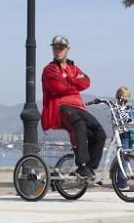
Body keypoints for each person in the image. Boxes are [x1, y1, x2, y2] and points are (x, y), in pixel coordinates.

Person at [41, 36, 105, 179]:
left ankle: (89, 167)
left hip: (78, 106)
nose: (58, 50)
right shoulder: (49, 69)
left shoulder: (73, 68)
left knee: (100, 132)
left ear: (67, 50)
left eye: (61, 47)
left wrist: (69, 80)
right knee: (79, 125)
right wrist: (74, 83)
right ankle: (82, 165)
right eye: (55, 47)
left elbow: (86, 82)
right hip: (60, 107)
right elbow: (58, 87)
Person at [115, 86, 134, 151]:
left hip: (130, 133)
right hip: (122, 133)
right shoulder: (116, 108)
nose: (124, 98)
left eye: (126, 96)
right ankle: (124, 160)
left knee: (129, 151)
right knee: (124, 150)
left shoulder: (129, 108)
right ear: (118, 96)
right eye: (122, 96)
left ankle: (126, 160)